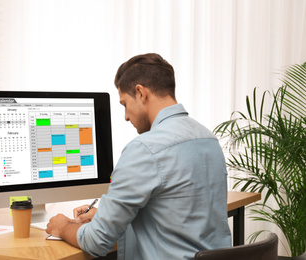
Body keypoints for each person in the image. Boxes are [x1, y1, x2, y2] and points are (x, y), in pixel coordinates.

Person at [46, 53, 231, 259]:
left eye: (124, 104)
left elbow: (98, 241)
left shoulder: (145, 149)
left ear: (141, 93)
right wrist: (106, 217)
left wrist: (63, 227)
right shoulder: (207, 138)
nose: (125, 116)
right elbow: (181, 216)